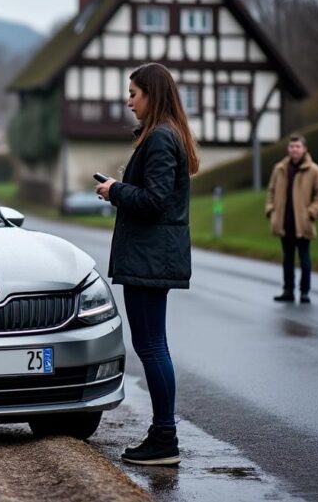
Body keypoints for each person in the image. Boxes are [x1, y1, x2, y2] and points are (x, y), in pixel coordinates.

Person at [96, 62, 200, 466]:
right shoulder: (165, 135)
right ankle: (163, 434)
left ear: (151, 95)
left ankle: (164, 438)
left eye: (133, 93)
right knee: (153, 344)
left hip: (149, 257)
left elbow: (155, 200)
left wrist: (115, 189)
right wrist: (121, 188)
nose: (128, 102)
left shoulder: (159, 138)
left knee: (152, 346)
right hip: (153, 256)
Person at [265, 134, 318, 304]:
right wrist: (271, 210)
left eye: (298, 147)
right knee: (287, 258)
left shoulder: (314, 170)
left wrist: (311, 213)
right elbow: (271, 191)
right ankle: (288, 290)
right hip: (284, 222)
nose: (295, 150)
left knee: (304, 259)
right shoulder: (280, 169)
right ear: (288, 149)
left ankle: (304, 292)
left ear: (305, 149)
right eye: (292, 147)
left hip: (303, 223)